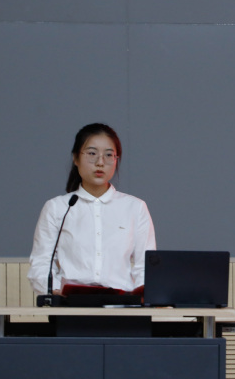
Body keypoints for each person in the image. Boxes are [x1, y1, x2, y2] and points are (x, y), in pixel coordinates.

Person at [27, 123, 156, 295]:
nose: (100, 162)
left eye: (108, 155)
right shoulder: (57, 208)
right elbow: (41, 264)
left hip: (121, 304)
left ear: (116, 159)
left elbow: (145, 267)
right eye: (92, 153)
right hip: (70, 303)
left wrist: (143, 297)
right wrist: (57, 294)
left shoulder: (135, 207)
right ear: (76, 158)